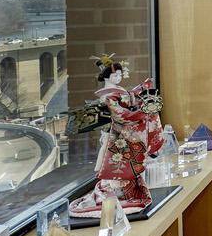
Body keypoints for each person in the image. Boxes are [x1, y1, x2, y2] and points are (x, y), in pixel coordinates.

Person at [68, 54, 165, 217]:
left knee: (125, 167)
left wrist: (141, 88)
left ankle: (124, 192)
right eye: (115, 75)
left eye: (120, 74)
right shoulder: (107, 96)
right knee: (114, 167)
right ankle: (114, 192)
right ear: (107, 77)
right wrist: (142, 113)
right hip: (114, 135)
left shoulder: (116, 92)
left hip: (121, 135)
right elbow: (120, 114)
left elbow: (129, 98)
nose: (119, 77)